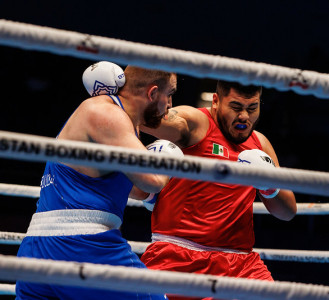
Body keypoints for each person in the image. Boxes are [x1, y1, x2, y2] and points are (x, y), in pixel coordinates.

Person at [15, 61, 177, 300]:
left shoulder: (115, 123)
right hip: (83, 245)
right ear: (153, 93)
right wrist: (167, 159)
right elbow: (152, 180)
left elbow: (137, 190)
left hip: (36, 250)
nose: (170, 105)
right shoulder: (106, 113)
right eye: (170, 94)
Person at [139, 80, 297, 299]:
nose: (244, 117)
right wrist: (115, 102)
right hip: (178, 257)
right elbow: (141, 118)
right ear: (216, 101)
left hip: (241, 266)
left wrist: (268, 185)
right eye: (236, 107)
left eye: (252, 109)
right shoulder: (195, 123)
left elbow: (288, 212)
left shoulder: (260, 144)